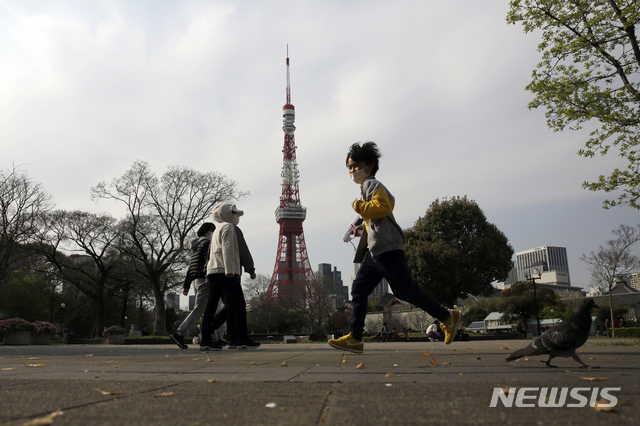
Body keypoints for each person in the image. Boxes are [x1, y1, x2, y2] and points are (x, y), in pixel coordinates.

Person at [328, 142, 461, 354]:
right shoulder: (366, 188)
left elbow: (383, 207)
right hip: (376, 251)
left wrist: (359, 207)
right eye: (349, 167)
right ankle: (355, 337)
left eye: (356, 165)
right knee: (359, 289)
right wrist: (362, 229)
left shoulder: (373, 185)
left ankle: (446, 316)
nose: (352, 171)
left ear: (370, 166)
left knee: (404, 290)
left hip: (387, 250)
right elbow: (378, 220)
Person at [199, 202, 260, 351]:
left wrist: (207, 272)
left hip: (213, 271)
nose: (236, 217)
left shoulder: (215, 230)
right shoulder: (228, 227)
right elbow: (227, 249)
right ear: (226, 214)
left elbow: (210, 254)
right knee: (239, 304)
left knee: (211, 305)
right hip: (226, 272)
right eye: (234, 213)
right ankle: (241, 338)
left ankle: (206, 339)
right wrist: (230, 270)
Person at [170, 222, 216, 349]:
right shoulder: (207, 243)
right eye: (213, 231)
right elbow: (209, 261)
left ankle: (212, 336)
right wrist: (208, 276)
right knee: (200, 309)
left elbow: (191, 268)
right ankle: (180, 332)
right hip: (204, 279)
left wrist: (186, 285)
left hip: (196, 280)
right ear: (208, 232)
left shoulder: (195, 247)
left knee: (205, 309)